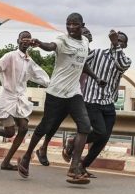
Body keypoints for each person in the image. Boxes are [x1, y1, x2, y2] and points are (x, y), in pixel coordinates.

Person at [16, 13, 103, 184]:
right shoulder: (62, 40)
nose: (71, 28)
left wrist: (96, 78)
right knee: (45, 126)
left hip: (74, 93)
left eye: (75, 25)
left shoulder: (85, 42)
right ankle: (27, 156)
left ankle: (74, 168)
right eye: (68, 24)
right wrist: (39, 43)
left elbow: (83, 63)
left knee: (85, 127)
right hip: (56, 92)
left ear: (82, 25)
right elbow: (50, 46)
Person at [0, 31, 50, 170]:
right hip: (7, 98)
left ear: (30, 42)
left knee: (23, 128)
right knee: (10, 132)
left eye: (28, 39)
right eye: (23, 39)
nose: (25, 41)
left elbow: (42, 76)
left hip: (19, 99)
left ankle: (6, 162)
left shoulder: (29, 62)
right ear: (18, 40)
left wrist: (54, 86)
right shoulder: (10, 56)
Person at [61, 30, 130, 178]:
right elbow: (81, 62)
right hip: (92, 100)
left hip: (108, 102)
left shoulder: (125, 60)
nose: (118, 42)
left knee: (103, 138)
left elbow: (122, 65)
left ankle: (82, 165)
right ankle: (73, 141)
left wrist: (115, 45)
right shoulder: (98, 53)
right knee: (99, 132)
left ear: (124, 45)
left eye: (121, 41)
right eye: (117, 39)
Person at [35, 27, 92, 166]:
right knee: (54, 123)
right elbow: (52, 47)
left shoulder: (88, 52)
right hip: (62, 93)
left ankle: (77, 159)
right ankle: (43, 148)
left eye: (88, 33)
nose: (87, 34)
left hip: (78, 94)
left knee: (85, 126)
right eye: (84, 32)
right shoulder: (70, 49)